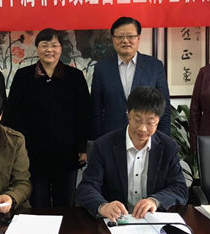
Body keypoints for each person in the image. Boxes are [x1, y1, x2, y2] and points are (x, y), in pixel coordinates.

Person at [5, 28, 90, 207]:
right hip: (33, 153)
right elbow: (13, 114)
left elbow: (84, 113)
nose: (49, 50)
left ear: (61, 48)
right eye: (44, 45)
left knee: (65, 204)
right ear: (37, 48)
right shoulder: (23, 76)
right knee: (38, 203)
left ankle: (66, 227)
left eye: (54, 45)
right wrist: (17, 148)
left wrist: (83, 146)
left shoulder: (75, 77)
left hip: (67, 153)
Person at [76, 86, 188, 222]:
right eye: (137, 119)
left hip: (152, 222)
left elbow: (179, 188)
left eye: (150, 122)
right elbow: (86, 187)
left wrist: (155, 201)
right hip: (115, 221)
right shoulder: (104, 145)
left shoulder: (168, 147)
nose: (142, 128)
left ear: (158, 120)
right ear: (128, 114)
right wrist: (103, 206)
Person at [91, 16, 170, 139]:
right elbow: (96, 109)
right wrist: (99, 140)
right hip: (112, 137)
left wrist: (162, 139)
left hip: (146, 136)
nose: (125, 40)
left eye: (130, 36)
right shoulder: (102, 68)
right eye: (120, 36)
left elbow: (164, 107)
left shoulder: (155, 66)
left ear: (138, 38)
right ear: (113, 39)